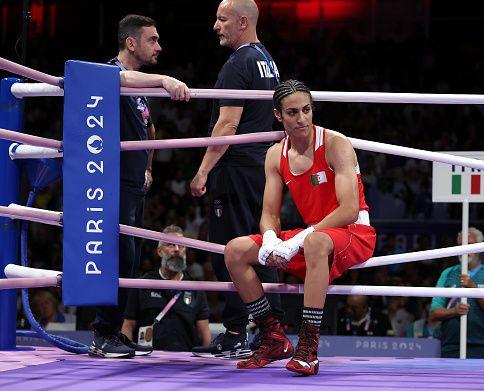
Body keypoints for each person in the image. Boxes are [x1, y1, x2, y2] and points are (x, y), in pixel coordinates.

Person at [224, 79, 376, 375]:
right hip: (317, 235)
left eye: (307, 110)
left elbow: (349, 209)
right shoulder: (274, 154)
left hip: (353, 232)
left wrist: (298, 241)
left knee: (316, 241)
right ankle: (273, 337)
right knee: (235, 251)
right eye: (293, 112)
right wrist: (270, 240)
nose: (302, 118)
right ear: (279, 116)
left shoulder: (335, 144)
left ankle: (308, 348)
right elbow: (269, 212)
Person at [90, 14, 191, 359]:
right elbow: (120, 77)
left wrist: (148, 167)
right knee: (117, 256)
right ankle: (103, 333)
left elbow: (148, 129)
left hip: (134, 184)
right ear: (131, 43)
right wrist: (164, 79)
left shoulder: (138, 91)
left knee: (129, 259)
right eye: (152, 39)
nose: (159, 46)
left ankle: (113, 332)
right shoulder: (111, 74)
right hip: (111, 181)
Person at [189, 0, 283, 359]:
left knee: (230, 252)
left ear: (243, 21)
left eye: (222, 19)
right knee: (259, 248)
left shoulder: (239, 62)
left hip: (236, 167)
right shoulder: (267, 60)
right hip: (258, 168)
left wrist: (203, 171)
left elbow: (227, 124)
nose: (216, 25)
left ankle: (237, 331)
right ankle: (266, 330)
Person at [121, 225, 211, 352]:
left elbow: (204, 332)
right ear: (159, 251)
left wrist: (205, 364)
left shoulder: (196, 288)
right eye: (171, 245)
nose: (177, 249)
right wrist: (127, 357)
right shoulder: (142, 284)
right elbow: (128, 325)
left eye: (181, 245)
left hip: (185, 361)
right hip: (148, 360)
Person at [429, 227, 484, 358]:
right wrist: (453, 311)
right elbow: (434, 313)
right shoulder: (447, 273)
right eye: (460, 245)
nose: (464, 250)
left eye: (469, 245)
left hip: (481, 346)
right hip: (450, 346)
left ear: (480, 248)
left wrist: (472, 287)